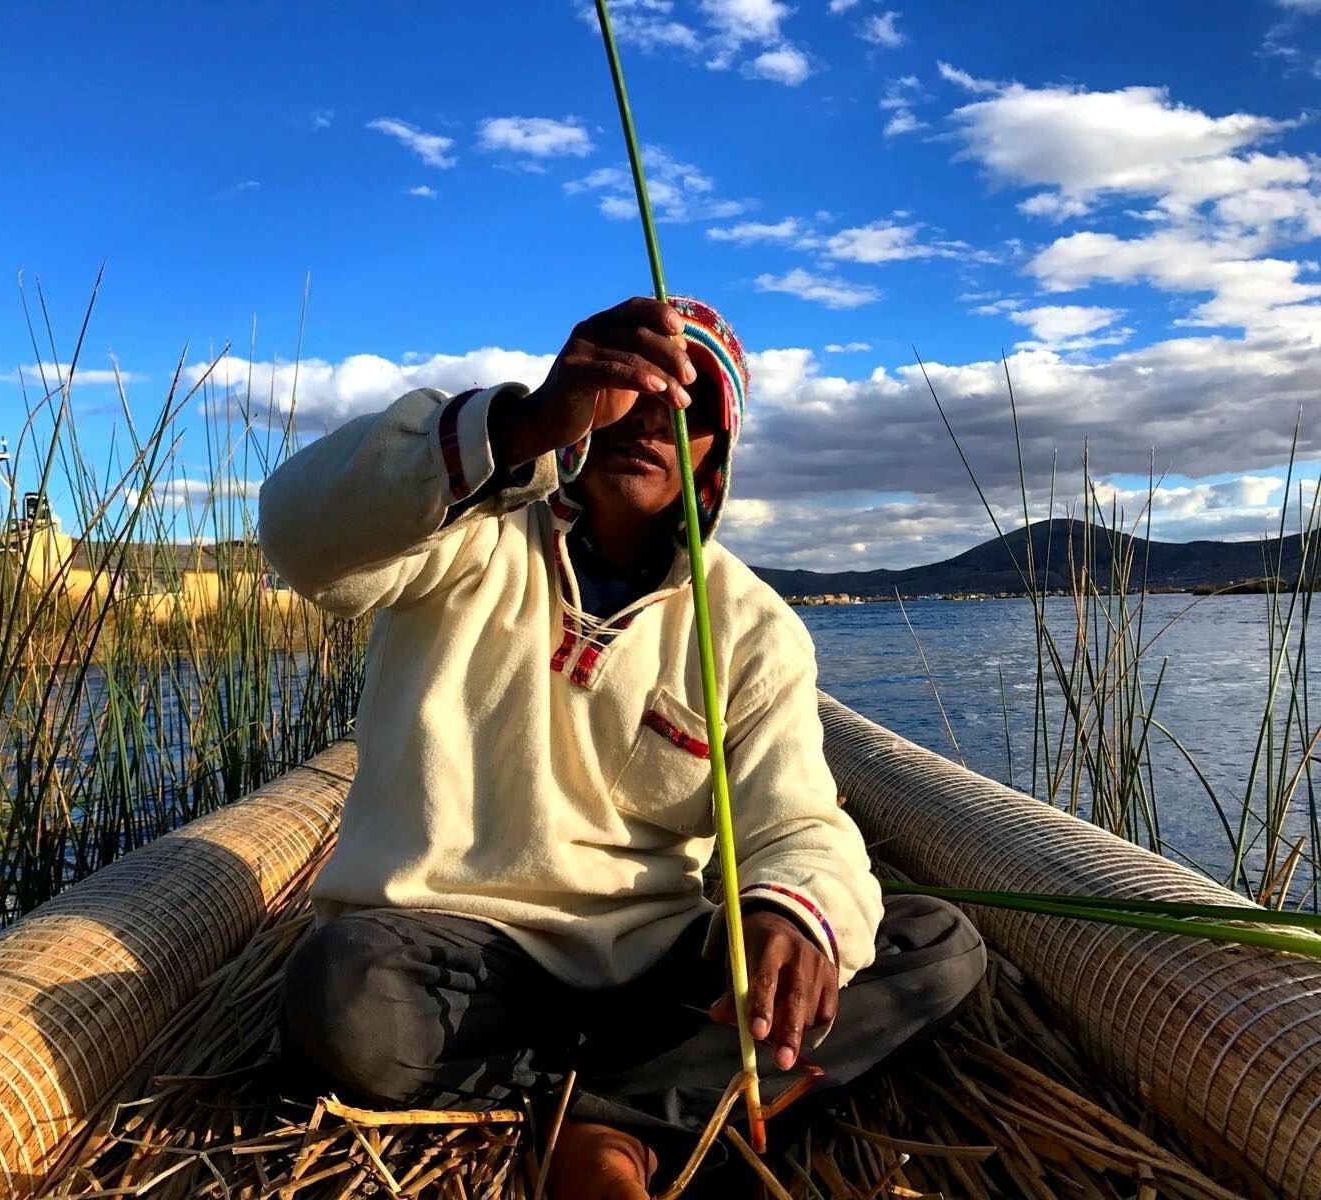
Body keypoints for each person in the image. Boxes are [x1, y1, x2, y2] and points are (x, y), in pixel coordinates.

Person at [260, 296, 986, 1200]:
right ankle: (657, 1103)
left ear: (714, 461)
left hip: (660, 970)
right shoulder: (465, 537)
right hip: (459, 966)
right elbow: (296, 535)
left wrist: (796, 911)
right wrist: (525, 421)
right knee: (343, 993)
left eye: (688, 411)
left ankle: (607, 1121)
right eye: (626, 391)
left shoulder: (751, 627)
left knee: (938, 947)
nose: (650, 422)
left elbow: (797, 816)